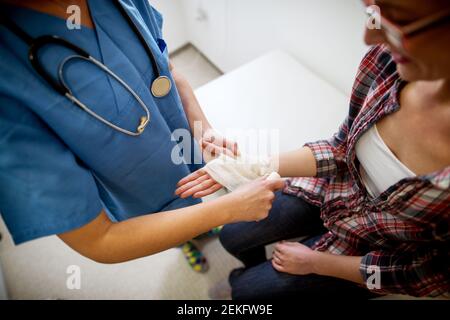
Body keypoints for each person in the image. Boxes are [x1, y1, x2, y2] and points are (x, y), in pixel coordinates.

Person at [176, 0, 450, 299]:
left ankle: (253, 280)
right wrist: (252, 165)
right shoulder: (384, 63)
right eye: (373, 15)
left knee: (246, 292)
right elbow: (341, 150)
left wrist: (319, 264)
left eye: (395, 23)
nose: (368, 38)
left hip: (382, 249)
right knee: (232, 234)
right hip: (337, 189)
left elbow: (431, 273)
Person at [0, 0, 285, 267]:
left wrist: (202, 129)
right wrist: (229, 209)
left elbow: (165, 68)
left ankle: (200, 224)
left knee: (195, 205)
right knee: (169, 223)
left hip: (182, 147)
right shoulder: (8, 80)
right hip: (137, 186)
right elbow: (99, 239)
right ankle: (183, 241)